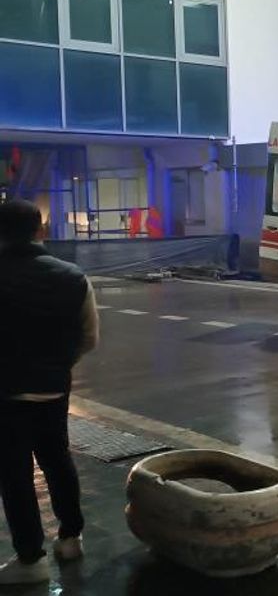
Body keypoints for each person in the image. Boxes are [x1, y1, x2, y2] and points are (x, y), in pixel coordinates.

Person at [0, 200, 97, 585]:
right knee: (58, 461)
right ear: (40, 231)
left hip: (6, 396)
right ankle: (71, 538)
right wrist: (58, 365)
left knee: (15, 475)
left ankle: (30, 560)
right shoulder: (73, 277)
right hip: (54, 390)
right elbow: (89, 337)